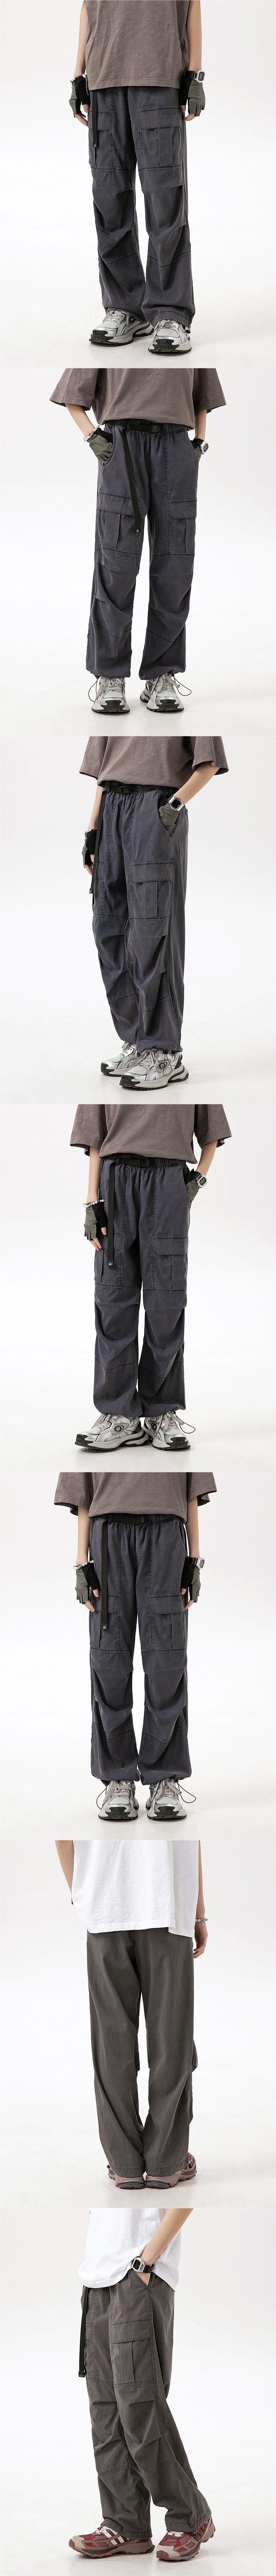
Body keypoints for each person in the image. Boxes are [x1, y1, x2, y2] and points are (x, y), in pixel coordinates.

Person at [50, 364, 225, 715]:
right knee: (116, 565)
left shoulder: (185, 347)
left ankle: (162, 675)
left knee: (176, 566)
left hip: (176, 445)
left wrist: (198, 445)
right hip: (122, 444)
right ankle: (110, 676)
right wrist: (94, 438)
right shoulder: (111, 348)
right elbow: (73, 395)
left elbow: (203, 396)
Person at [54, 1463, 216, 1818]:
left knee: (167, 1663)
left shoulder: (177, 1442)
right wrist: (81, 1561)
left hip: (167, 1535)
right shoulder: (97, 1441)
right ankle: (118, 1778)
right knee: (109, 1662)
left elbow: (192, 1488)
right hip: (107, 1534)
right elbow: (82, 1489)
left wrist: (195, 1559)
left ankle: (164, 1778)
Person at [69, 1099, 231, 1442]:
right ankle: (119, 1415)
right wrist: (92, 1201)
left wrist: (197, 1179)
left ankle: (161, 1413)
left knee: (166, 1303)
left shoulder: (192, 1088)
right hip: (115, 1182)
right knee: (113, 1301)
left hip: (169, 1181)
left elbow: (212, 1130)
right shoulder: (103, 1087)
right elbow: (95, 1137)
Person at [56, 1835, 208, 2184]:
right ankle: (166, 2163)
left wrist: (84, 1894)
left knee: (112, 2042)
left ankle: (124, 2165)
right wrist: (199, 1911)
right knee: (172, 2038)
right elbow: (191, 1837)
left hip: (104, 1909)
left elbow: (63, 1838)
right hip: (169, 1905)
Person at [80, 731, 228, 1080]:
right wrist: (93, 828)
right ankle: (138, 1041)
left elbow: (209, 762)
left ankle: (164, 1050)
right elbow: (103, 772)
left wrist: (173, 806)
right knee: (109, 928)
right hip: (112, 808)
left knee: (154, 930)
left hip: (156, 808)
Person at [69, 2204, 215, 2558]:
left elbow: (184, 2201)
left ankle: (191, 2517)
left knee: (140, 2407)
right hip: (97, 2283)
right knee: (106, 2414)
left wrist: (146, 2262)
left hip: (137, 2276)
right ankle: (126, 2525)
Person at [70, 1, 205, 353]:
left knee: (165, 203)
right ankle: (125, 308)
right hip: (104, 81)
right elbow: (89, 7)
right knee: (109, 201)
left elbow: (192, 4)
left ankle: (171, 312)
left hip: (160, 78)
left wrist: (196, 75)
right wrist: (79, 75)